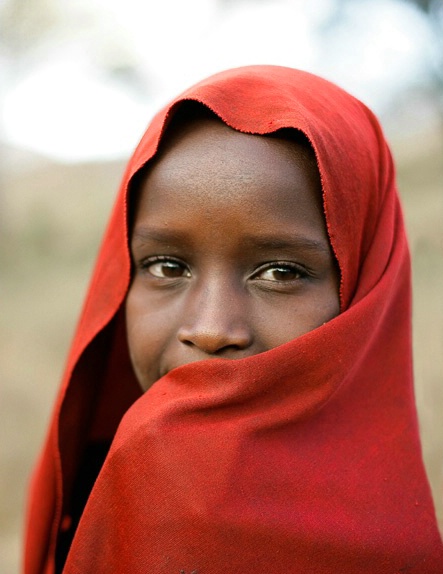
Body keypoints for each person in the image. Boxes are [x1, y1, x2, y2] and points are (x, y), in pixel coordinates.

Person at [23, 66, 443, 573]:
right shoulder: (85, 522)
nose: (211, 328)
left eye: (281, 272)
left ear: (364, 297)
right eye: (167, 266)